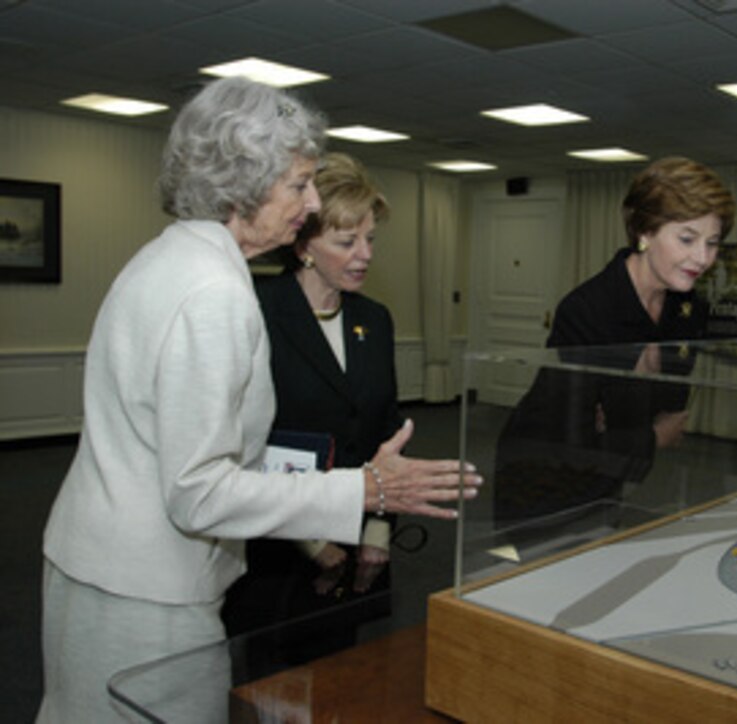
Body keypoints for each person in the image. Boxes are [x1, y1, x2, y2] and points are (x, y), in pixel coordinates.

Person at [36, 78, 481, 723]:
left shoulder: (168, 257)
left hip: (97, 563)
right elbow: (200, 492)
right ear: (243, 183)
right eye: (299, 183)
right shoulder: (216, 292)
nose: (309, 200)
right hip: (147, 591)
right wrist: (365, 490)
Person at [493, 156, 735, 523]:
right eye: (687, 238)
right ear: (644, 231)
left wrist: (625, 428)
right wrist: (650, 436)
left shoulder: (688, 309)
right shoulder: (587, 309)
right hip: (540, 482)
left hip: (611, 480)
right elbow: (574, 441)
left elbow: (672, 406)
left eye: (713, 243)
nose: (702, 259)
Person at [223, 153, 404, 639]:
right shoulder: (255, 313)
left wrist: (380, 528)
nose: (365, 254)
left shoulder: (376, 320)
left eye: (370, 239)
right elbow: (241, 445)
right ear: (304, 244)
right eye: (346, 241)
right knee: (271, 695)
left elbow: (386, 429)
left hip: (359, 541)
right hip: (279, 551)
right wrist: (310, 542)